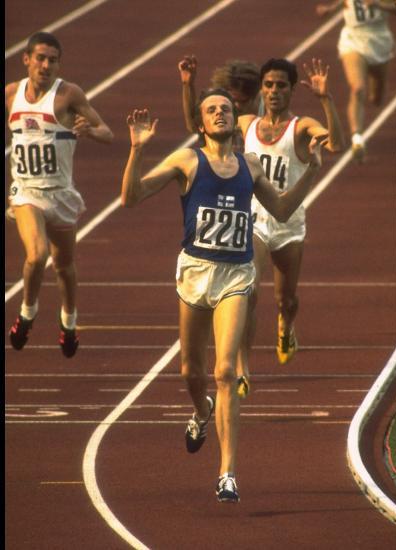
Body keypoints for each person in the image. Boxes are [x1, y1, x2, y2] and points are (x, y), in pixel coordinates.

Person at [120, 90, 322, 502]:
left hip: (236, 273)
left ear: (234, 119)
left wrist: (312, 171)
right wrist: (136, 151)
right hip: (195, 272)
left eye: (225, 109)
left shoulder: (250, 163)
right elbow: (131, 197)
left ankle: (227, 473)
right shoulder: (187, 161)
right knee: (189, 373)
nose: (220, 113)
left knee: (225, 372)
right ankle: (200, 411)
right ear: (201, 124)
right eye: (211, 110)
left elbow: (282, 210)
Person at [178, 57, 345, 400]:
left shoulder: (301, 126)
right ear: (261, 90)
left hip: (289, 221)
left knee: (286, 298)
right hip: (254, 219)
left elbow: (336, 144)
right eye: (268, 85)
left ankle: (286, 325)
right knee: (248, 293)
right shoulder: (246, 123)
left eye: (280, 85)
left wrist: (326, 99)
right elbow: (195, 124)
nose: (273, 91)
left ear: (290, 90)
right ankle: (242, 368)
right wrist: (187, 86)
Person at [6, 32, 114, 357]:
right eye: (40, 58)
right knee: (37, 255)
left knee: (64, 266)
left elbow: (108, 134)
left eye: (52, 59)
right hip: (26, 191)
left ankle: (68, 321)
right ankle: (27, 313)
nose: (46, 65)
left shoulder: (68, 95)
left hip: (61, 194)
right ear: (26, 59)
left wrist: (90, 131)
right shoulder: (11, 95)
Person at [315, 0, 396, 162]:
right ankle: (357, 139)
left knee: (377, 98)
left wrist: (379, 5)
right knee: (358, 88)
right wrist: (331, 8)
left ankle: (371, 77)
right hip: (353, 38)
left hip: (379, 37)